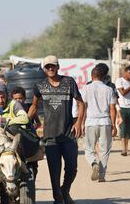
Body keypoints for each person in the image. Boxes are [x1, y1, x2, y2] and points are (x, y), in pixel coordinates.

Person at [29, 55, 84, 204]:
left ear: (58, 67)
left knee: (72, 167)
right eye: (47, 67)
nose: (50, 69)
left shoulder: (69, 82)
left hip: (68, 134)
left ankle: (65, 190)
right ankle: (58, 198)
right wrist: (26, 121)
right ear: (44, 69)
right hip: (50, 136)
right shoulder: (39, 86)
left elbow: (80, 103)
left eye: (53, 66)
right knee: (54, 171)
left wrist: (78, 123)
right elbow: (34, 105)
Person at [82, 67, 117, 182]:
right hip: (105, 122)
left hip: (91, 122)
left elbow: (83, 106)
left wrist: (81, 123)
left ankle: (93, 163)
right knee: (105, 149)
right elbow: (112, 108)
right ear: (103, 77)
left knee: (88, 149)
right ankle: (101, 175)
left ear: (91, 77)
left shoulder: (86, 88)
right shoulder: (109, 89)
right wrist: (114, 125)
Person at [116, 66, 130, 156]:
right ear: (125, 73)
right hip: (122, 107)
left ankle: (126, 149)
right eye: (129, 73)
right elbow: (122, 93)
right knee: (123, 128)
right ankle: (123, 149)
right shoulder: (120, 81)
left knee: (129, 129)